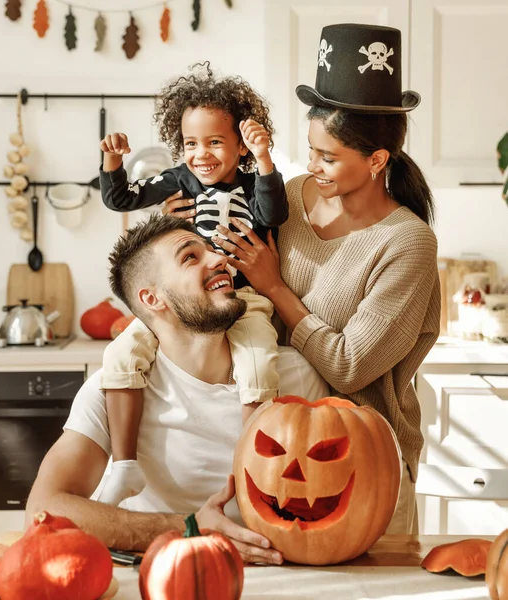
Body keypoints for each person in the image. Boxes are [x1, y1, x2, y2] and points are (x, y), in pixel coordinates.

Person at [180, 23, 441, 535]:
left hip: (360, 467)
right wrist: (183, 220)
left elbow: (350, 366)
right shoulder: (287, 197)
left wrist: (276, 287)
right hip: (271, 456)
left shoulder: (406, 242)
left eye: (329, 157)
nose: (313, 167)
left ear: (377, 160)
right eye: (310, 150)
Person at [25, 214, 329, 563]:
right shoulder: (112, 391)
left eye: (211, 250)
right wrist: (191, 527)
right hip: (161, 572)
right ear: (153, 299)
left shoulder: (296, 375)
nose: (220, 260)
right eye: (190, 257)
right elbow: (43, 509)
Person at [97, 62, 289, 506]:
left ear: (240, 144)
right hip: (185, 303)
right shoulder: (178, 180)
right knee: (122, 352)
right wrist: (113, 161)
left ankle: (251, 466)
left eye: (215, 142)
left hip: (242, 299)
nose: (201, 154)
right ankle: (124, 465)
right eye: (190, 143)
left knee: (259, 360)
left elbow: (274, 214)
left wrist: (263, 161)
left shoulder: (253, 181)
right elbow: (120, 198)